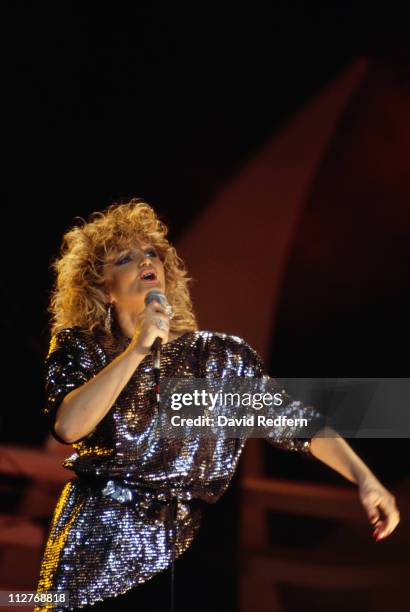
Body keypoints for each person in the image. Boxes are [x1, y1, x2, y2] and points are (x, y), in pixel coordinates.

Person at [35, 198, 400, 612]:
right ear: (104, 290)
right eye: (125, 258)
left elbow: (297, 422)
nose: (143, 261)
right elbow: (69, 426)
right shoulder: (82, 347)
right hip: (95, 551)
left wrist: (365, 479)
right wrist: (137, 350)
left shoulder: (216, 360)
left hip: (190, 548)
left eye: (150, 253)